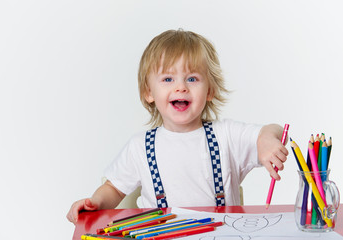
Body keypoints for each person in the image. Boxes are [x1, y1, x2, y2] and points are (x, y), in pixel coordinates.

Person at [66, 29, 288, 224]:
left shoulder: (226, 136)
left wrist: (266, 141)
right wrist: (95, 202)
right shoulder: (140, 147)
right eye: (168, 79)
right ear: (149, 92)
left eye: (192, 79)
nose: (181, 87)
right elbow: (113, 189)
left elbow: (272, 129)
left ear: (210, 90)